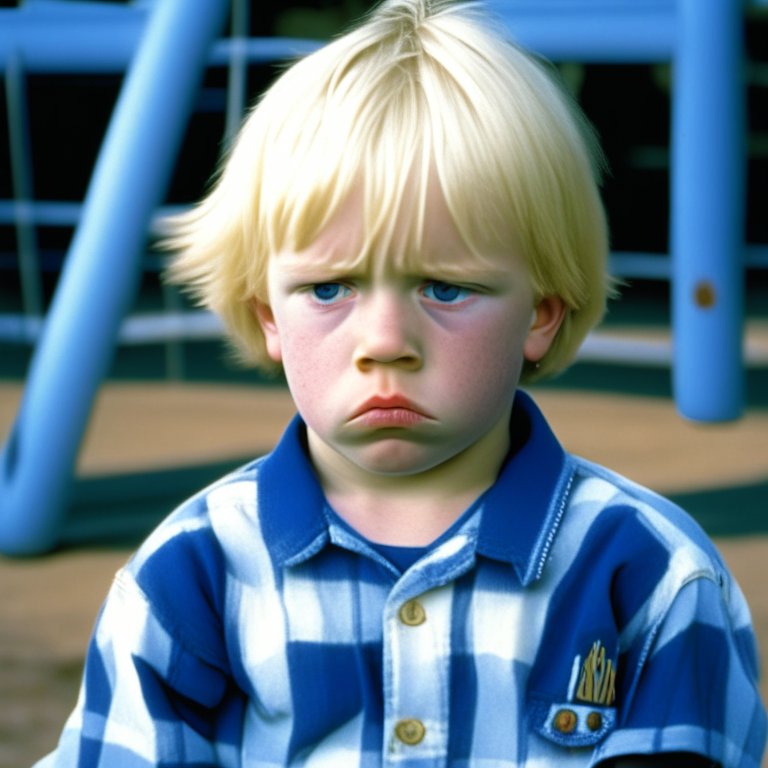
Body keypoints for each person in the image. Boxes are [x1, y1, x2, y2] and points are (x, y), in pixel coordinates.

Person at [36, 0, 765, 766]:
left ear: (542, 314)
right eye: (330, 288)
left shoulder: (648, 574)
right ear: (269, 317)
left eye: (444, 288)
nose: (385, 342)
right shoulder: (194, 575)